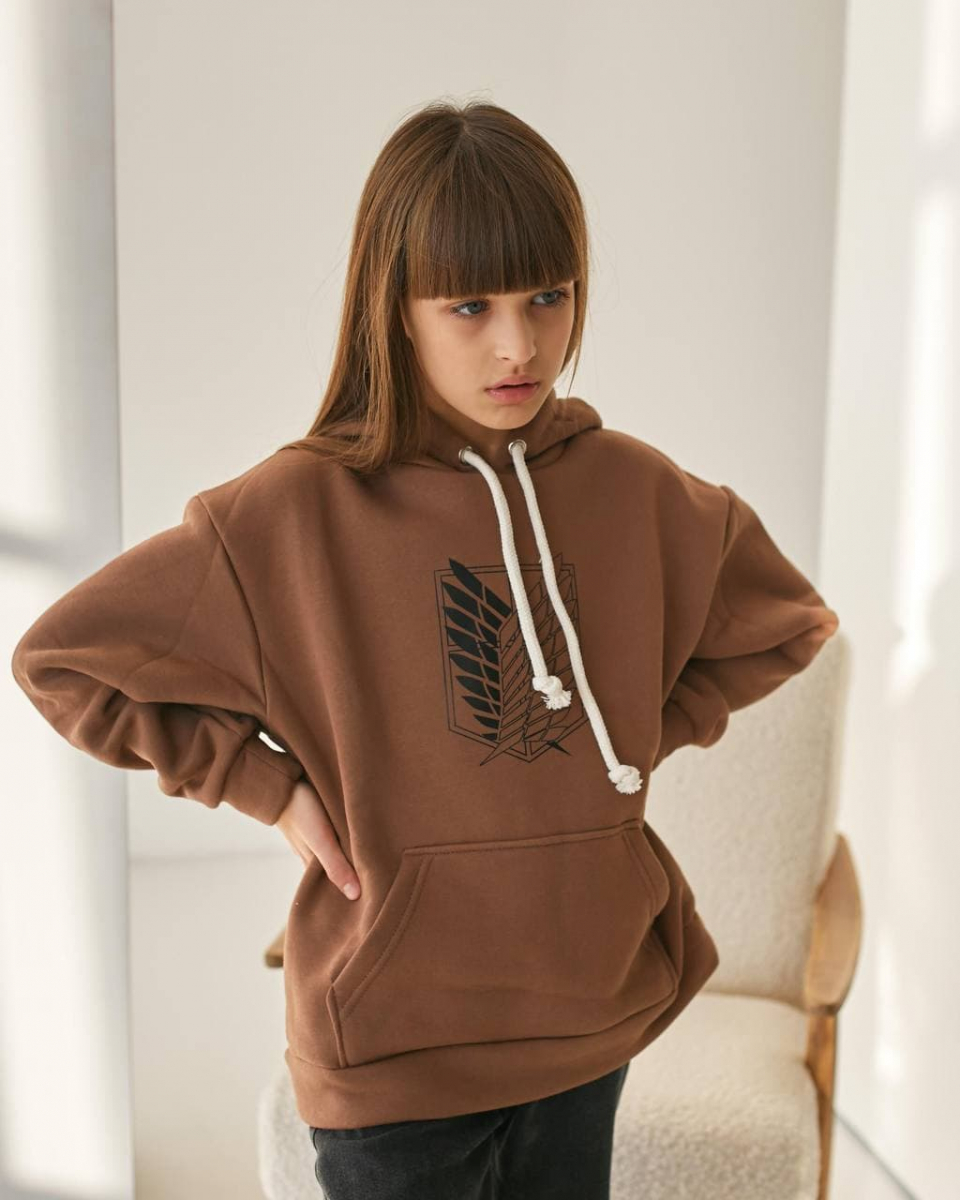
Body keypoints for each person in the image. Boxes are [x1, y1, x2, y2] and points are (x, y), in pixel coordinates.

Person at [9, 99, 840, 1199]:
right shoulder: (290, 516)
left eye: (548, 296)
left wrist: (631, 732)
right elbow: (66, 663)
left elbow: (787, 623)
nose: (520, 344)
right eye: (471, 305)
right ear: (394, 309)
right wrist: (270, 788)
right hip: (393, 1049)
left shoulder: (636, 492)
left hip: (584, 1019)